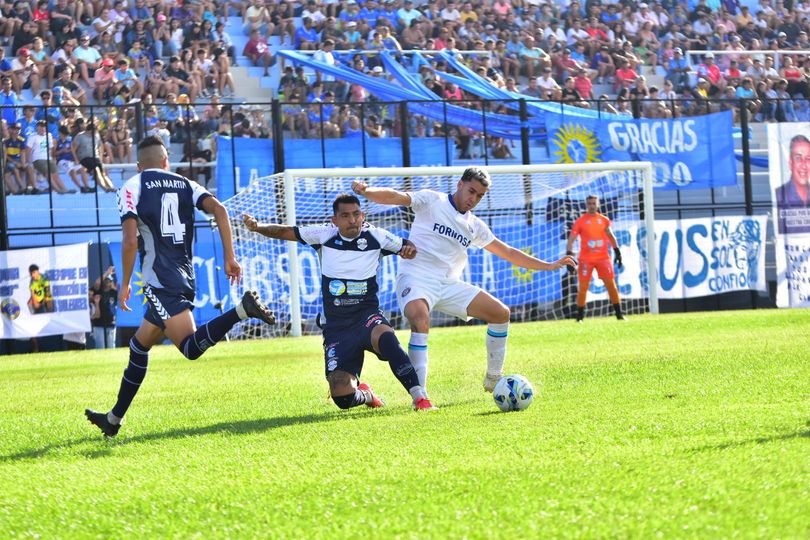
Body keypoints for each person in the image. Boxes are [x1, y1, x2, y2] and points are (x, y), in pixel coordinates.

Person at [85, 136, 277, 437]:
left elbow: (130, 239)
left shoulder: (132, 187)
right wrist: (230, 256)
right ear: (166, 162)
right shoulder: (186, 183)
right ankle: (113, 419)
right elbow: (221, 211)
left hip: (161, 280)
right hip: (182, 275)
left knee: (189, 348)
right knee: (139, 345)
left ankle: (242, 310)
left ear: (138, 165)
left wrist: (124, 284)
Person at [351, 167, 576, 392]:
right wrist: (368, 191)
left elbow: (507, 252)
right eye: (471, 191)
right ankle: (420, 395)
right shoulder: (432, 200)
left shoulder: (475, 226)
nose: (474, 199)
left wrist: (548, 265)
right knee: (420, 318)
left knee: (501, 313)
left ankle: (493, 379)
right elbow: (395, 196)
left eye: (480, 196)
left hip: (448, 284)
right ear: (460, 184)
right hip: (416, 277)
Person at [241, 194, 436, 411]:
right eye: (345, 216)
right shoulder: (323, 234)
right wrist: (258, 227)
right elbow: (286, 231)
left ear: (362, 215)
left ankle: (420, 398)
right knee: (342, 397)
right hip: (337, 326)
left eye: (356, 214)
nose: (352, 220)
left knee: (388, 340)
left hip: (367, 316)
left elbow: (407, 246)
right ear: (335, 220)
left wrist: (409, 250)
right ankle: (367, 394)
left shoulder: (377, 236)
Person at [565, 195, 625, 323]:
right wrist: (569, 257)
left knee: (611, 286)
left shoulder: (603, 220)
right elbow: (571, 240)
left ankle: (619, 315)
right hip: (586, 260)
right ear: (586, 205)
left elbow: (611, 236)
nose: (591, 206)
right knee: (583, 287)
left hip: (603, 258)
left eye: (594, 203)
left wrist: (617, 252)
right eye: (589, 203)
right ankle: (579, 317)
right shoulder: (580, 221)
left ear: (597, 204)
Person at [775, 134, 810, 234]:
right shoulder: (779, 194)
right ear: (790, 163)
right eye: (798, 158)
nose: (804, 165)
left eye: (808, 158)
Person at [91, 266, 118, 348]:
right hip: (99, 324)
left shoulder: (114, 292)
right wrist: (107, 272)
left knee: (111, 347)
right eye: (106, 280)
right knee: (100, 348)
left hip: (111, 324)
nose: (107, 282)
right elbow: (97, 283)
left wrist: (114, 287)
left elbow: (122, 291)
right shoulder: (98, 290)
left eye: (109, 280)